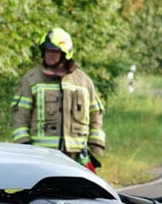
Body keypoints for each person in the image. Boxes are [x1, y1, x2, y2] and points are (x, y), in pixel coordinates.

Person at [11, 27, 105, 172]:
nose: (49, 55)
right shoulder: (32, 79)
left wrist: (95, 146)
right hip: (42, 155)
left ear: (65, 53)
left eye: (54, 51)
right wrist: (24, 145)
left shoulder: (83, 81)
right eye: (47, 51)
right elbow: (20, 116)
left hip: (77, 156)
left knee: (79, 194)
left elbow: (95, 114)